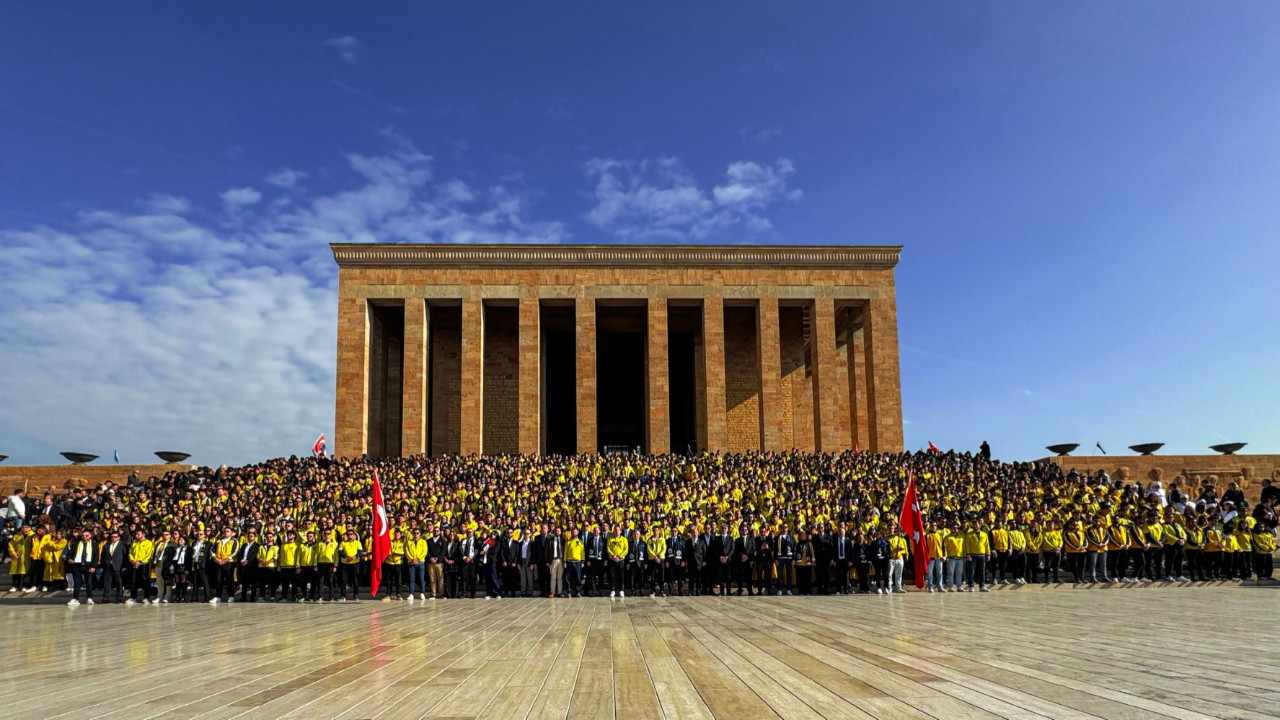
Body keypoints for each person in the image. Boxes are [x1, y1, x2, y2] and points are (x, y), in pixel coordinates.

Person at [66, 528, 98, 605]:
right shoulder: (76, 543)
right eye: (83, 536)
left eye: (86, 536)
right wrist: (69, 559)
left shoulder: (94, 544)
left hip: (88, 565)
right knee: (77, 583)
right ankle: (75, 598)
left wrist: (94, 566)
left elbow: (96, 556)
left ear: (90, 536)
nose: (84, 537)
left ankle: (89, 598)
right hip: (77, 565)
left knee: (89, 583)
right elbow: (69, 553)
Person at [100, 530, 128, 604]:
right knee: (107, 583)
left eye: (115, 537)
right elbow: (102, 556)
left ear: (118, 537)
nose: (113, 538)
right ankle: (106, 597)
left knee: (119, 583)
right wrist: (102, 565)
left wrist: (124, 566)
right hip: (108, 566)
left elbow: (125, 557)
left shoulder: (123, 546)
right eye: (112, 537)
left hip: (118, 566)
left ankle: (119, 598)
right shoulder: (106, 546)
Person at [405, 528, 428, 600]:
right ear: (412, 534)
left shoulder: (423, 541)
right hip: (411, 562)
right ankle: (411, 593)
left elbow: (424, 551)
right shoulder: (409, 542)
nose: (416, 534)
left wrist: (418, 559)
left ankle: (422, 593)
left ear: (420, 534)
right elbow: (406, 551)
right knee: (411, 579)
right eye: (414, 533)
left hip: (420, 562)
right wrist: (412, 559)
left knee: (421, 578)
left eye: (417, 533)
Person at [564, 528, 584, 598]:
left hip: (577, 562)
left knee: (578, 577)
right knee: (568, 578)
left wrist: (582, 561)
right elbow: (565, 552)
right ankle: (569, 591)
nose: (573, 533)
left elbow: (582, 552)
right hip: (569, 562)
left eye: (575, 532)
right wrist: (565, 561)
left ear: (577, 532)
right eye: (572, 532)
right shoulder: (568, 542)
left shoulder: (580, 542)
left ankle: (578, 591)